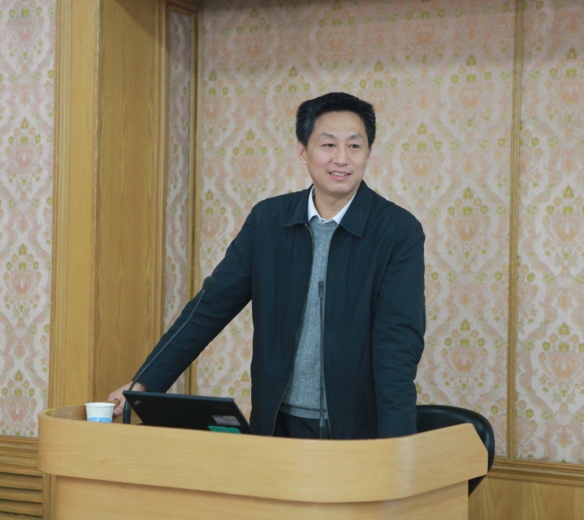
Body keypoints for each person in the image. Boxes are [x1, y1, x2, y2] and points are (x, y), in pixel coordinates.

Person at [108, 92, 425, 439]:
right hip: (275, 423)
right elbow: (209, 307)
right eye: (328, 145)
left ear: (368, 153)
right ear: (303, 151)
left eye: (354, 146)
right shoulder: (268, 221)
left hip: (355, 429)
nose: (341, 158)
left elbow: (398, 345)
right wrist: (145, 383)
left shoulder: (397, 231)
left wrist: (397, 446)